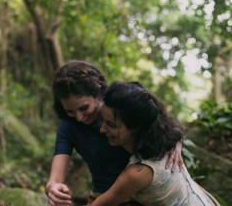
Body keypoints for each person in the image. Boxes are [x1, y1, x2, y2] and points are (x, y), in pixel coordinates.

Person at [45, 60, 183, 206]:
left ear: (98, 93)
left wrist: (176, 143)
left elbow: (159, 123)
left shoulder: (122, 105)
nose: (79, 117)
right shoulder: (68, 126)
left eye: (84, 108)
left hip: (143, 196)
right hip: (102, 196)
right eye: (70, 111)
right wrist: (53, 189)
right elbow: (55, 179)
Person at [88, 81, 220, 206]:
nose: (102, 129)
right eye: (102, 121)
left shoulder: (138, 172)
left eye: (111, 125)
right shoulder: (164, 142)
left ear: (135, 126)